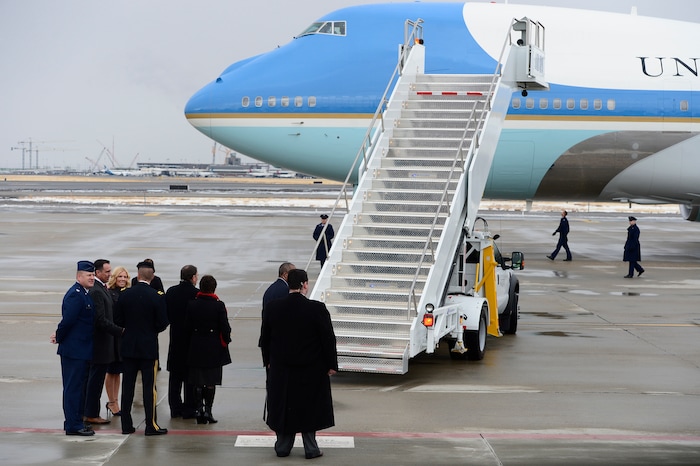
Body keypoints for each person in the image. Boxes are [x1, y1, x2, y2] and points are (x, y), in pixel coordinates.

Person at [260, 269, 338, 459]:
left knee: (284, 405)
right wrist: (331, 364)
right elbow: (328, 339)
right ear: (304, 284)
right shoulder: (317, 309)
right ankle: (311, 448)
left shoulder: (272, 307)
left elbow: (265, 339)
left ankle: (283, 446)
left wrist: (268, 361)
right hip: (310, 369)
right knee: (308, 407)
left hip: (282, 369)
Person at [114, 260, 169, 436]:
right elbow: (162, 323)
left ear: (137, 276)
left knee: (128, 386)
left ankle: (126, 424)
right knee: (148, 387)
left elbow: (118, 320)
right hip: (148, 347)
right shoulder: (156, 296)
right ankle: (151, 425)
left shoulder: (125, 295)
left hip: (129, 346)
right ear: (152, 277)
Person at [51, 260, 96, 436]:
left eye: (93, 275)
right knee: (72, 388)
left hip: (81, 349)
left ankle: (75, 420)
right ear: (79, 276)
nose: (92, 278)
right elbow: (67, 321)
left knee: (77, 388)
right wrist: (58, 337)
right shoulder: (75, 295)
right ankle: (73, 425)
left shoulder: (84, 293)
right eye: (88, 275)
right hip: (73, 350)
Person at [185, 275, 231, 424]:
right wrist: (226, 340)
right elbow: (225, 328)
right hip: (213, 347)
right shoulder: (219, 305)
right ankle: (208, 411)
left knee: (198, 381)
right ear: (214, 288)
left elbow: (188, 326)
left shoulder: (192, 304)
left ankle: (199, 409)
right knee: (210, 381)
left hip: (196, 346)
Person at [84, 259, 124, 426]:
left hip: (104, 344)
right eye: (107, 271)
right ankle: (91, 414)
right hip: (100, 345)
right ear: (98, 272)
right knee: (95, 382)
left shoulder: (102, 288)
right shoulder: (97, 291)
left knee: (97, 380)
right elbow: (100, 319)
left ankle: (91, 412)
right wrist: (120, 331)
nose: (110, 274)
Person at [165, 264, 199, 419]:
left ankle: (175, 407)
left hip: (176, 338)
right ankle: (189, 408)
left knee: (175, 377)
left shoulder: (171, 292)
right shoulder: (196, 294)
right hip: (191, 340)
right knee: (190, 378)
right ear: (193, 277)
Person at [104, 265, 130, 417]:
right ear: (115, 278)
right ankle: (111, 401)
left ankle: (115, 401)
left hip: (123, 336)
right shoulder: (109, 293)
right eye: (120, 276)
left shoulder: (128, 293)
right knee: (111, 370)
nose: (122, 279)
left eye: (125, 277)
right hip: (113, 335)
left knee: (118, 371)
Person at [259, 262, 295, 347]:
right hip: (279, 339)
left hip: (269, 335)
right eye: (293, 273)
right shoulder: (285, 290)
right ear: (285, 275)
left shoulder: (271, 288)